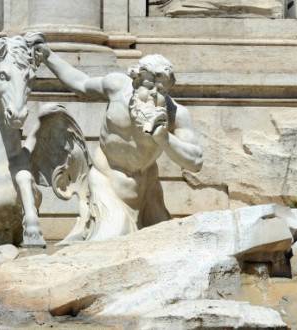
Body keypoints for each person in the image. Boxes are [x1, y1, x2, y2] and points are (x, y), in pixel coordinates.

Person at [36, 44, 203, 242]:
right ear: (136, 81)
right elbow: (80, 83)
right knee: (111, 238)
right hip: (106, 178)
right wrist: (49, 56)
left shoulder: (176, 113)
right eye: (148, 86)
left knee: (165, 243)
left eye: (160, 90)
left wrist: (164, 138)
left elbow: (195, 161)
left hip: (146, 187)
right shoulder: (116, 86)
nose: (153, 94)